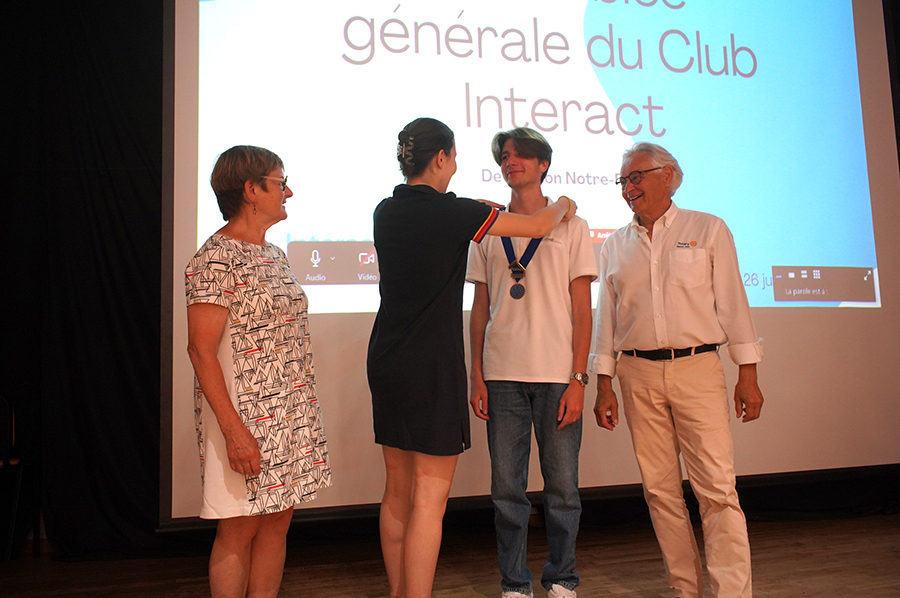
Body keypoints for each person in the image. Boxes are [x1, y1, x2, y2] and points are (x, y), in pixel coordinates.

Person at [367, 117, 577, 598]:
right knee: (430, 498)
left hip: (386, 360)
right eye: (455, 157)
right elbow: (542, 223)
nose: (456, 166)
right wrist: (566, 201)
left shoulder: (384, 210)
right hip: (432, 365)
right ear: (440, 157)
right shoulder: (456, 212)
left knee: (396, 490)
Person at [590, 142, 764, 598]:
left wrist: (748, 374)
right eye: (623, 181)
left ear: (668, 176)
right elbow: (606, 320)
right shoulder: (613, 245)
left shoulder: (707, 229)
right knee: (660, 493)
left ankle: (732, 593)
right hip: (636, 375)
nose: (628, 188)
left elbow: (733, 302)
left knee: (717, 490)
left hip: (697, 368)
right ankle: (685, 590)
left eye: (636, 177)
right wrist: (602, 384)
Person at [185, 145, 332, 598]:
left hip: (289, 416)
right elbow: (201, 351)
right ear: (251, 189)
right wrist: (233, 431)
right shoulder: (215, 257)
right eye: (279, 181)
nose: (288, 191)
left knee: (276, 526)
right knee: (238, 531)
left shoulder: (273, 253)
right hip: (244, 421)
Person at [466, 127, 597, 598]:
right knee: (507, 493)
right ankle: (515, 583)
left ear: (543, 164)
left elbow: (583, 311)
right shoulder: (486, 228)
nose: (510, 161)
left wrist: (580, 379)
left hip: (559, 377)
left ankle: (562, 578)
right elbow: (479, 310)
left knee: (562, 491)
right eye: (504, 156)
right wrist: (475, 376)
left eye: (520, 155)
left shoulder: (571, 227)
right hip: (501, 377)